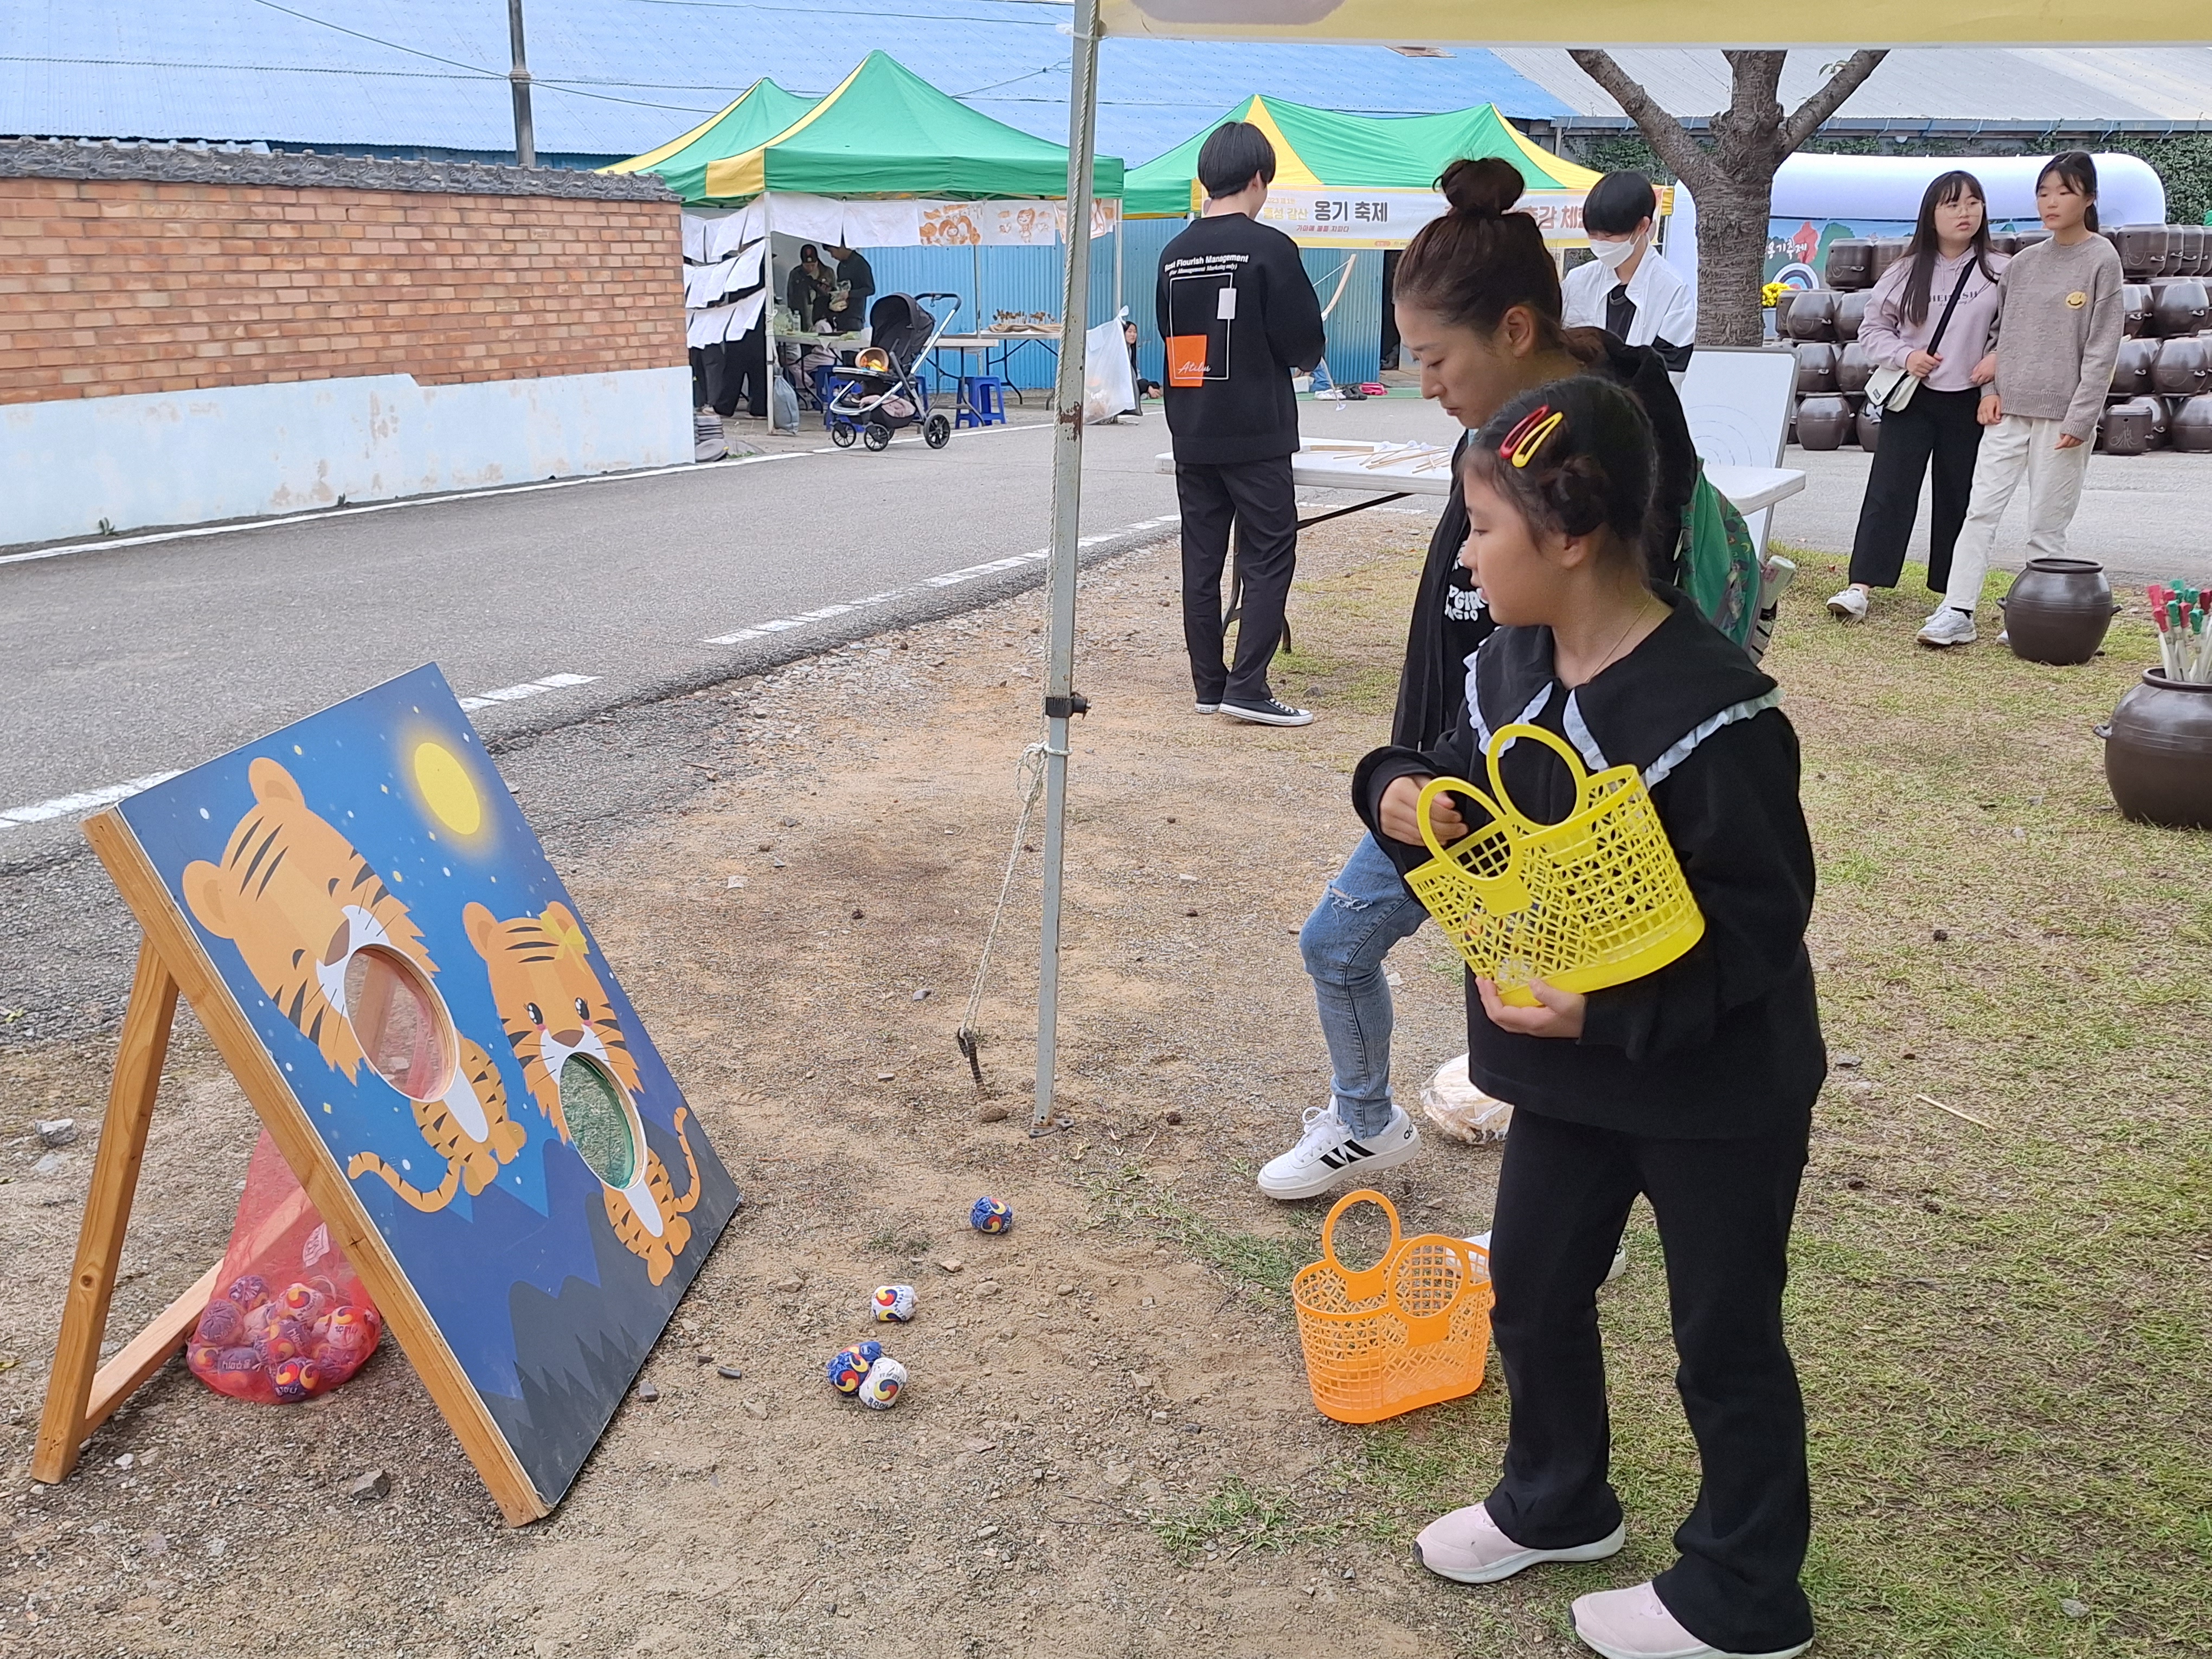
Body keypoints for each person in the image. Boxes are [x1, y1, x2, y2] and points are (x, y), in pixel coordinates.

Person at [1356, 376, 1822, 1659]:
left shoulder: (1712, 714)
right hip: (1563, 1079)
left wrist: (1608, 1006)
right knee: (1534, 1293)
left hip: (1713, 1089)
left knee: (1721, 1338)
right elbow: (1450, 780)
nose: (1460, 552)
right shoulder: (1505, 664)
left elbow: (1758, 927)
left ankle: (1742, 1594)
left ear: (1566, 537)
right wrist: (1397, 792)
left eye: (1478, 526)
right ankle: (1556, 1497)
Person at [1257, 155, 1699, 1201]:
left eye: (1434, 356)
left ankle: (1541, 1228)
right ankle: (1381, 1127)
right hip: (1454, 773)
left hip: (1535, 794)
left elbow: (1611, 640)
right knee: (1381, 955)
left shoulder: (1600, 439)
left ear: (1510, 329)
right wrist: (1404, 771)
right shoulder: (1502, 432)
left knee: (1533, 1011)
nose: (1425, 383)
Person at [1155, 120, 1328, 727]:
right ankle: (1248, 687)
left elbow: (1170, 338)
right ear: (1259, 179)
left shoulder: (1173, 255)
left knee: (1201, 559)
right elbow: (1304, 340)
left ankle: (1210, 683)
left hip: (1193, 428)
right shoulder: (1271, 248)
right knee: (1268, 554)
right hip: (1257, 432)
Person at [1917, 151, 2124, 647]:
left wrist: (2082, 416)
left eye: (2065, 192)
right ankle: (1957, 610)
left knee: (2045, 525)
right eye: (2044, 192)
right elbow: (1997, 338)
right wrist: (1990, 391)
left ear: (2089, 199)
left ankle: (2034, 617)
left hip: (2064, 419)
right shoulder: (2025, 263)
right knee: (1979, 511)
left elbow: (2102, 348)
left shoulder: (2101, 259)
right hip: (2007, 411)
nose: (2051, 202)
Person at [1826, 171, 2005, 622]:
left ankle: (1952, 595)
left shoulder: (2002, 270)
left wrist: (1996, 366)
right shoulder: (1906, 270)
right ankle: (1860, 586)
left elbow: (2017, 332)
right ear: (1931, 215)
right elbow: (1872, 328)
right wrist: (1907, 356)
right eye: (1952, 204)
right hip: (1913, 397)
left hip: (1969, 401)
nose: (1964, 213)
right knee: (1890, 490)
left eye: (1973, 203)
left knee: (1959, 497)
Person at [1561, 171, 1695, 377]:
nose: (1599, 243)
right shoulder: (1577, 282)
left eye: (1609, 235)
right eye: (1593, 234)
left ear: (1642, 226)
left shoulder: (1673, 293)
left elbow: (1668, 378)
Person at [824, 243, 876, 336]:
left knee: (852, 348)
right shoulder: (841, 266)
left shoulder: (860, 264)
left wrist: (850, 294)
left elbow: (870, 289)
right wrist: (832, 290)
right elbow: (841, 288)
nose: (832, 256)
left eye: (832, 252)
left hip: (855, 317)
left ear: (840, 247)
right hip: (840, 316)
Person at [786, 244, 833, 333]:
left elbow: (833, 295)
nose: (810, 268)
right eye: (807, 266)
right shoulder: (796, 274)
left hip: (823, 319)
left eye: (813, 265)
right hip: (802, 317)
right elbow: (791, 297)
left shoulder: (828, 272)